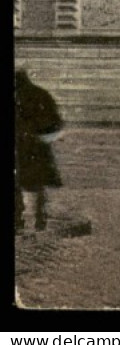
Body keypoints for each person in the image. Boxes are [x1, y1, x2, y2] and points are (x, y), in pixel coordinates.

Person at [15, 70, 63, 233]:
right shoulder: (41, 94)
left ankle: (19, 219)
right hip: (35, 146)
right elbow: (55, 122)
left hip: (22, 146)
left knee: (19, 182)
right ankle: (40, 219)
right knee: (38, 183)